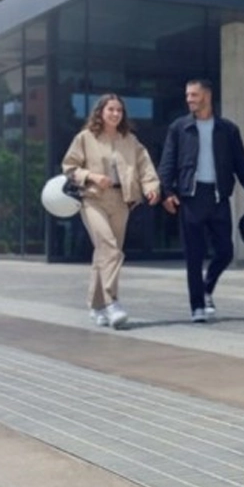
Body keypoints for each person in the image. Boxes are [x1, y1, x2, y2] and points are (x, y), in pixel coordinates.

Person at [158, 78, 244, 323]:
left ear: (206, 96)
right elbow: (167, 163)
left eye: (193, 95)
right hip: (191, 199)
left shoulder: (227, 130)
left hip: (218, 198)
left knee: (226, 252)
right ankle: (197, 306)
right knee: (193, 256)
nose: (189, 100)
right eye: (187, 95)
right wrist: (167, 192)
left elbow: (242, 165)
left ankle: (206, 288)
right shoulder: (179, 128)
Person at [62, 93, 161, 329]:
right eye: (111, 110)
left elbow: (145, 167)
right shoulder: (85, 138)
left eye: (119, 110)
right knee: (109, 248)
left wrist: (151, 187)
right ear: (101, 112)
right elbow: (69, 167)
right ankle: (111, 302)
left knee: (104, 255)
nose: (115, 114)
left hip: (122, 201)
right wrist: (92, 176)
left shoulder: (131, 141)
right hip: (93, 199)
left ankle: (95, 306)